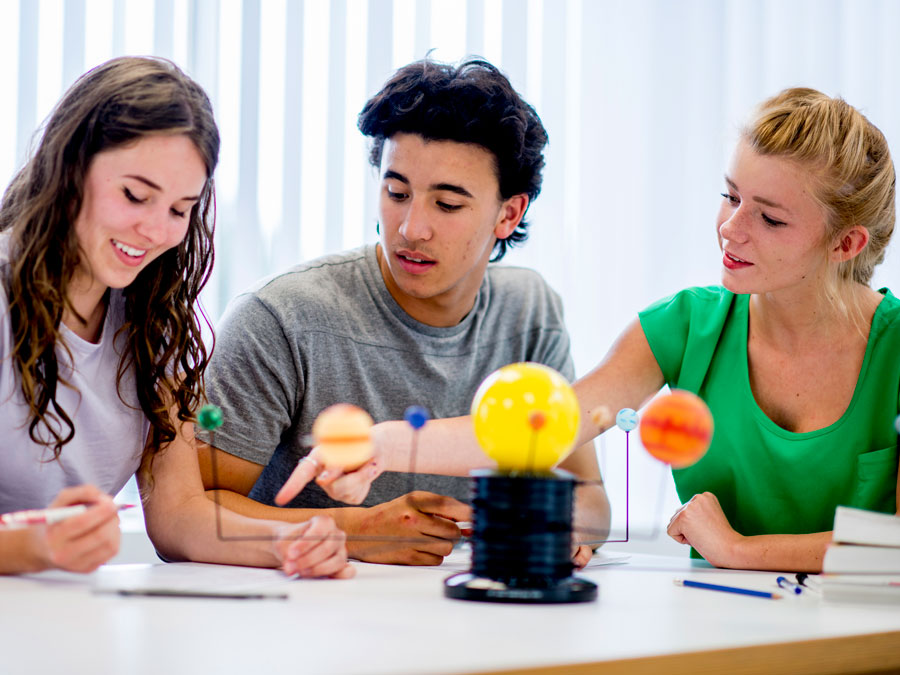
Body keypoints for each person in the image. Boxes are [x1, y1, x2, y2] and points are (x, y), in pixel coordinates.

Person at [346, 87, 899, 573]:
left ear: (845, 244)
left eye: (770, 218)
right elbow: (541, 429)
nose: (730, 228)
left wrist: (739, 551)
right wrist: (380, 443)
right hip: (724, 634)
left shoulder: (893, 345)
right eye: (730, 196)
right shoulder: (684, 325)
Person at [197, 57, 610, 566]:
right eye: (397, 193)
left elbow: (590, 499)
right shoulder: (281, 317)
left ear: (509, 213)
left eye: (448, 204)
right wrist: (352, 530)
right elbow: (194, 514)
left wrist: (553, 526)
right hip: (305, 621)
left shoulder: (529, 313)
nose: (412, 228)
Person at [0, 56, 352, 578]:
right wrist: (38, 547)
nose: (155, 231)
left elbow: (178, 516)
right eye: (135, 195)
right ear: (68, 167)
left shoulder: (150, 322)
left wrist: (289, 541)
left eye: (179, 209)